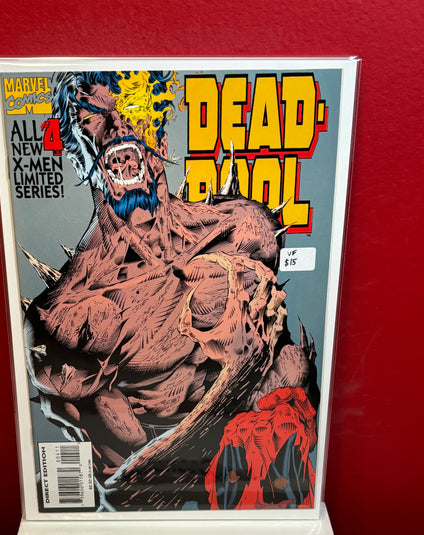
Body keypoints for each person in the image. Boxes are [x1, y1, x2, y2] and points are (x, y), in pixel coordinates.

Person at [22, 70, 319, 511]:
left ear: (160, 138)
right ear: (81, 156)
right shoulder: (70, 315)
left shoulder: (238, 228)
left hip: (248, 479)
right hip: (152, 497)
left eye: (135, 109)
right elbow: (122, 475)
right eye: (93, 118)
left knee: (292, 371)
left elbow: (284, 361)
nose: (119, 127)